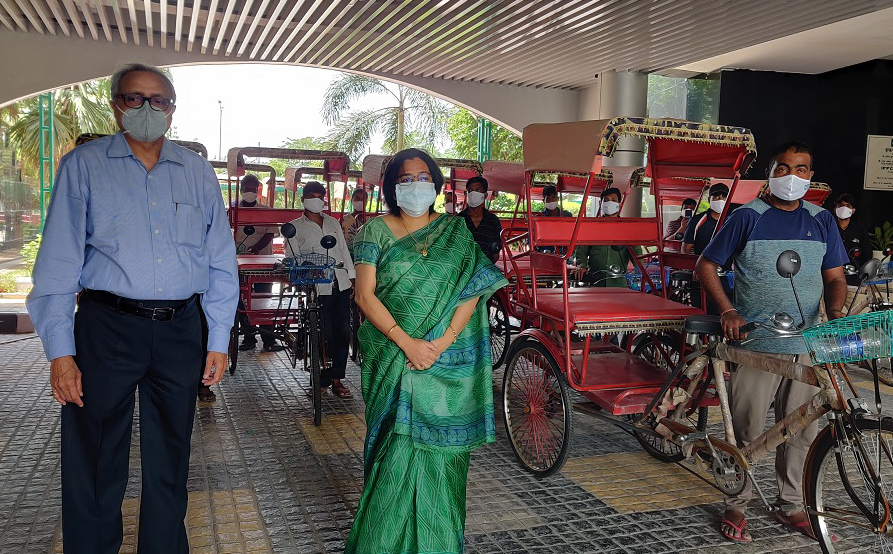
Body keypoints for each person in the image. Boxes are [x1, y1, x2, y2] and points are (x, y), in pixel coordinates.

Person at [26, 63, 238, 554]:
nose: (147, 109)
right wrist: (60, 352)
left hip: (181, 329)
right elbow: (57, 264)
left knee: (171, 456)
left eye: (158, 100)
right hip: (106, 327)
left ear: (172, 109)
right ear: (115, 104)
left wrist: (219, 340)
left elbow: (220, 262)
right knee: (95, 454)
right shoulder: (84, 166)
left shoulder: (197, 172)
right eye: (133, 98)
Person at [346, 148, 507, 554]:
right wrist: (409, 344)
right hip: (394, 359)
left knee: (443, 463)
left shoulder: (455, 233)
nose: (414, 185)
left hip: (443, 366)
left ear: (435, 185)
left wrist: (440, 344)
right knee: (392, 460)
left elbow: (472, 291)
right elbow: (364, 297)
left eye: (422, 177)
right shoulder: (374, 232)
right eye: (405, 179)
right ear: (391, 187)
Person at [696, 141, 847, 544]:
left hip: (805, 345)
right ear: (770, 172)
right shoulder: (748, 218)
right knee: (746, 430)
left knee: (801, 430)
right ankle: (737, 502)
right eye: (783, 168)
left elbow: (835, 278)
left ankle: (791, 503)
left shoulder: (822, 221)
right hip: (755, 345)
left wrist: (835, 316)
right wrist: (728, 310)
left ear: (811, 176)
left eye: (801, 169)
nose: (792, 177)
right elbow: (706, 265)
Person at [287, 181, 356, 399]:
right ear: (303, 199)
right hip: (317, 287)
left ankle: (337, 380)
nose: (316, 199)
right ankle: (321, 381)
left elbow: (343, 250)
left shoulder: (333, 222)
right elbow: (292, 257)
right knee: (322, 334)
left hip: (340, 281)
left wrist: (353, 278)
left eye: (320, 196)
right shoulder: (294, 226)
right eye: (311, 195)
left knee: (343, 332)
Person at [235, 175, 285, 355]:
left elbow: (271, 233)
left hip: (264, 263)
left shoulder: (266, 210)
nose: (249, 190)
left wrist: (256, 249)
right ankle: (248, 337)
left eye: (253, 187)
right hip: (239, 263)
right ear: (240, 189)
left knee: (264, 299)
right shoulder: (233, 209)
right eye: (246, 187)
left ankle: (268, 339)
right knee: (242, 299)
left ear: (258, 189)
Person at [573, 187, 641, 287]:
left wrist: (641, 268)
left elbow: (636, 250)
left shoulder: (627, 228)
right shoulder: (592, 227)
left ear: (619, 204)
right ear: (601, 204)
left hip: (618, 282)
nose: (610, 203)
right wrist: (582, 265)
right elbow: (582, 249)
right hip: (595, 281)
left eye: (613, 200)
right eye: (606, 200)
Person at [458, 176, 503, 262]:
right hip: (463, 268)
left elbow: (495, 251)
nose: (473, 193)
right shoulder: (458, 220)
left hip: (485, 268)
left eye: (477, 190)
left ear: (485, 195)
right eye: (470, 190)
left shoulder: (493, 221)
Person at [833, 193, 873, 289]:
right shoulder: (829, 229)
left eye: (847, 206)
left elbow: (867, 254)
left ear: (853, 210)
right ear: (835, 209)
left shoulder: (860, 231)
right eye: (841, 206)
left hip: (854, 280)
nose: (844, 208)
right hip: (832, 279)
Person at [682, 183, 729, 255]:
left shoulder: (732, 220)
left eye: (724, 197)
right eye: (716, 196)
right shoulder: (696, 221)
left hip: (725, 265)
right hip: (702, 264)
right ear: (709, 200)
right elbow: (685, 250)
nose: (720, 200)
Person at [342, 187, 369, 257]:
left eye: (363, 199)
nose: (360, 201)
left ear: (367, 201)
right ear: (352, 200)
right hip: (347, 255)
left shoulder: (371, 220)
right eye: (357, 198)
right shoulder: (343, 220)